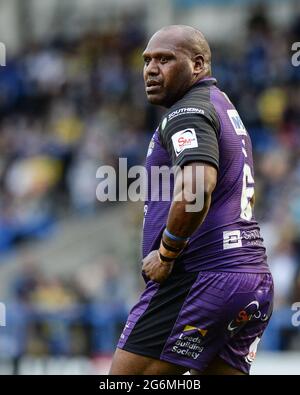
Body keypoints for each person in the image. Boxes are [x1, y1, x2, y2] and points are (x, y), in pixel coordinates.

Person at [109, 25, 274, 375]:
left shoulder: (188, 111)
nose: (151, 69)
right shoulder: (221, 105)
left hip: (200, 277)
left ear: (198, 64)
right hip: (250, 279)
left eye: (165, 59)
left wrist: (167, 252)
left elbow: (197, 186)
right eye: (147, 60)